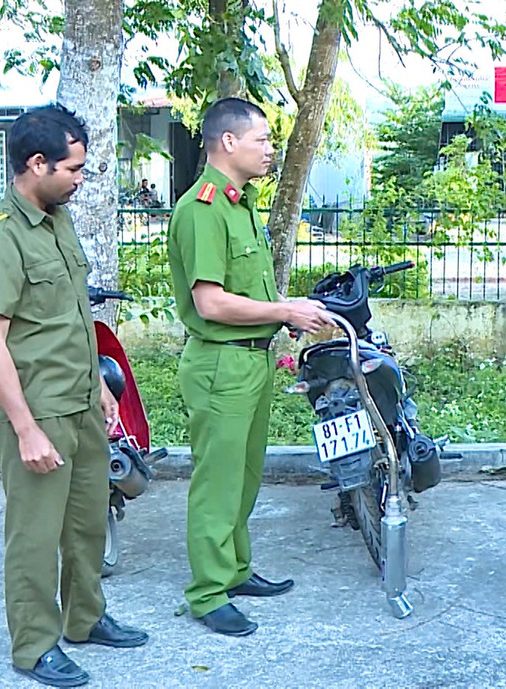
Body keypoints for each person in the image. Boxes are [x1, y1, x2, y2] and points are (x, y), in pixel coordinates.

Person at [0, 104, 148, 688]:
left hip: (80, 400)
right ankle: (35, 646)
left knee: (88, 521)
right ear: (36, 163)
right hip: (38, 410)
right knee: (35, 537)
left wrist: (99, 386)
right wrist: (24, 429)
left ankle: (85, 618)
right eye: (72, 168)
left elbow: (69, 315)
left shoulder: (57, 217)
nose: (80, 179)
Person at [167, 97, 333, 637]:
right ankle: (208, 592)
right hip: (220, 365)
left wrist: (280, 326)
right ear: (228, 142)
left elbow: (249, 292)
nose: (270, 148)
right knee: (217, 481)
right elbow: (211, 303)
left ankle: (234, 571)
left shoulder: (240, 207)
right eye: (261, 139)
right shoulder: (203, 208)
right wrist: (285, 310)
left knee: (244, 477)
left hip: (252, 362)